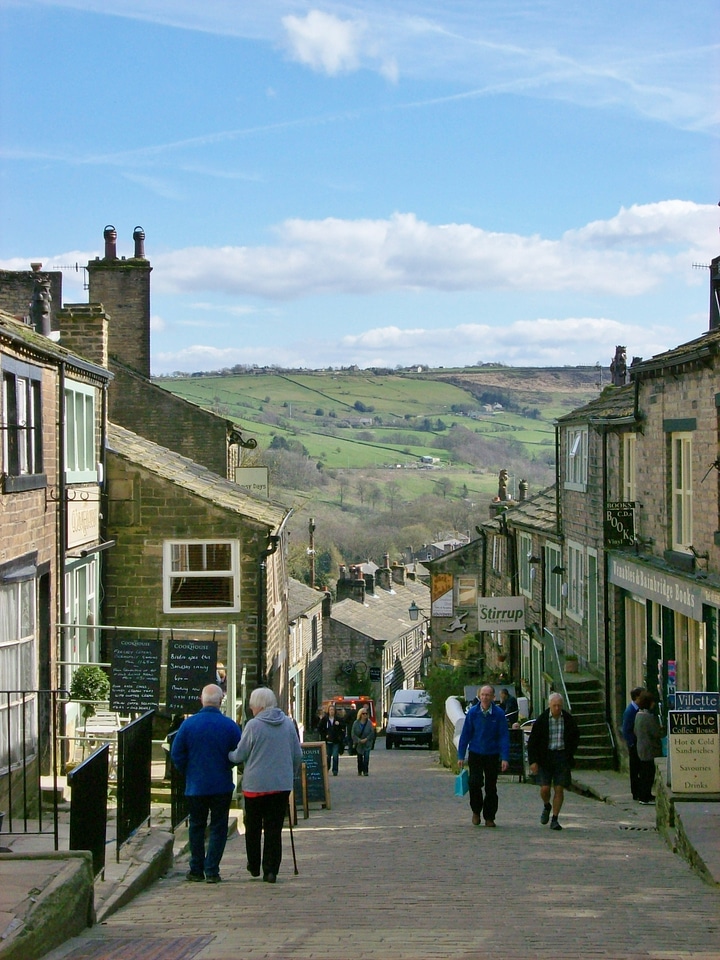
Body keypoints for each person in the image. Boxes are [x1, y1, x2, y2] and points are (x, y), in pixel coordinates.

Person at [229, 687, 302, 884]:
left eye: (252, 705)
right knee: (274, 828)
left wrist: (228, 756)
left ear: (259, 706)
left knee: (252, 827)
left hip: (255, 786)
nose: (251, 709)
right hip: (280, 786)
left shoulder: (253, 726)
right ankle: (271, 870)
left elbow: (240, 754)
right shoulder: (287, 724)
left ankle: (254, 865)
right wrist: (290, 775)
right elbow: (298, 755)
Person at [170, 684, 242, 883]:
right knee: (219, 827)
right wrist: (227, 765)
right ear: (220, 701)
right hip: (221, 784)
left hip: (196, 785)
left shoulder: (188, 725)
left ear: (202, 700)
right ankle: (212, 870)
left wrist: (188, 771)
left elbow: (176, 753)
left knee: (196, 826)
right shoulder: (229, 726)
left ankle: (196, 869)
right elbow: (239, 753)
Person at [457, 684, 510, 827]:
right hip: (476, 753)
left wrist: (505, 757)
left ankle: (489, 817)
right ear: (479, 696)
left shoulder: (498, 714)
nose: (485, 698)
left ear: (493, 697)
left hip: (492, 754)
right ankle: (476, 811)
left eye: (488, 695)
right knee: (474, 783)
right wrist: (461, 755)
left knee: (491, 787)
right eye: (483, 695)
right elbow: (465, 734)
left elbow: (504, 736)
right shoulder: (473, 713)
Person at [527, 692, 580, 832]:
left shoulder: (567, 719)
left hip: (561, 757)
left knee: (559, 788)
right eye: (554, 705)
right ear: (549, 705)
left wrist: (570, 753)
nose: (557, 708)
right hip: (545, 757)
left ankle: (555, 819)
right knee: (545, 788)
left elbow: (575, 736)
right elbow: (532, 742)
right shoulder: (542, 720)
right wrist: (533, 761)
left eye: (559, 706)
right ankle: (546, 805)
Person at [633, 690, 663, 805]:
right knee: (648, 774)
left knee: (645, 772)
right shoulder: (648, 717)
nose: (654, 704)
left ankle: (645, 794)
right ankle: (644, 796)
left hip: (641, 747)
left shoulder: (638, 715)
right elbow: (656, 733)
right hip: (649, 749)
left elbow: (635, 731)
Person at [621, 686, 645, 801]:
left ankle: (640, 791)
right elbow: (626, 729)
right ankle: (636, 792)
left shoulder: (637, 709)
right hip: (634, 744)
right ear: (637, 697)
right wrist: (631, 744)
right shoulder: (631, 710)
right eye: (642, 696)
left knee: (639, 768)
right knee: (635, 769)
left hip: (638, 743)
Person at [317, 702, 345, 776]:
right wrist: (324, 735)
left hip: (336, 740)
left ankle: (335, 770)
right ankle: (327, 768)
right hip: (328, 740)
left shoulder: (338, 719)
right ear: (328, 711)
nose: (332, 711)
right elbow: (319, 728)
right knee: (328, 756)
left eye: (333, 710)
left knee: (335, 755)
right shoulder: (325, 719)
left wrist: (339, 724)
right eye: (330, 710)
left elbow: (343, 727)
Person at [352, 706, 376, 776]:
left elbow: (372, 733)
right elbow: (353, 734)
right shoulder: (356, 723)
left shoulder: (369, 723)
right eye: (363, 714)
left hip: (367, 743)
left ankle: (366, 771)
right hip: (359, 744)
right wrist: (359, 740)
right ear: (360, 714)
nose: (365, 715)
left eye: (366, 713)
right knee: (359, 758)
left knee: (366, 757)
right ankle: (360, 770)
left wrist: (367, 739)